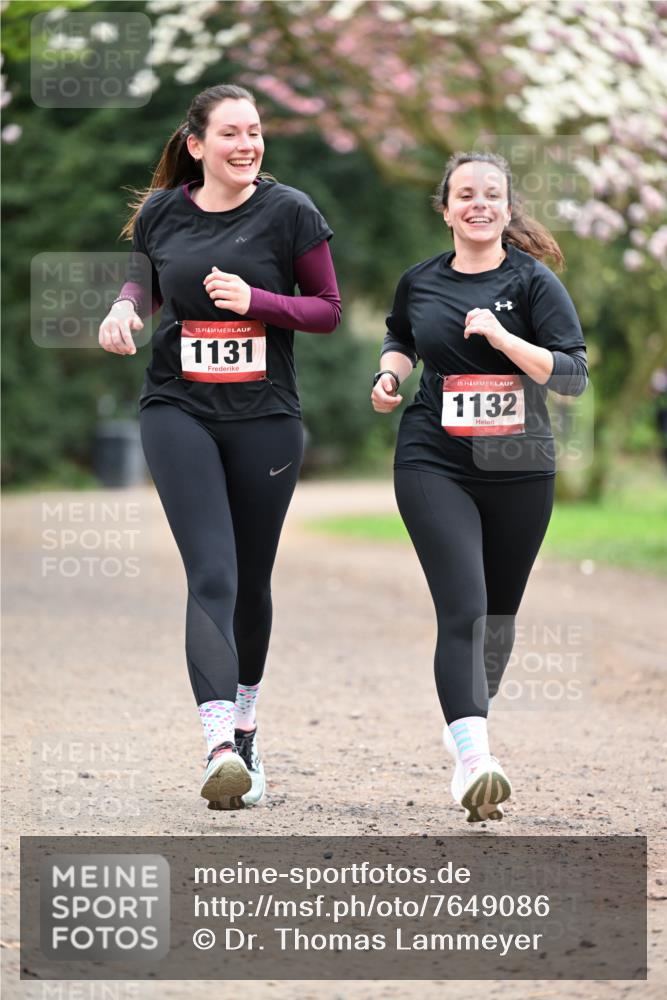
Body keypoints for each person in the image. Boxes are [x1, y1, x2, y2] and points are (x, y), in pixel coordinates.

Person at [99, 84, 340, 809]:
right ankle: (217, 747)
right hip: (179, 408)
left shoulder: (290, 211)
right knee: (210, 571)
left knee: (250, 579)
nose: (247, 145)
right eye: (231, 134)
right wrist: (121, 310)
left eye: (255, 133)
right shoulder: (163, 213)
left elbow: (326, 311)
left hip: (265, 417)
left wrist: (257, 302)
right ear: (197, 145)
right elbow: (142, 284)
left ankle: (247, 725)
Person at [371, 151, 588, 822]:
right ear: (445, 209)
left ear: (505, 207)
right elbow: (399, 335)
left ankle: (465, 719)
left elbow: (571, 375)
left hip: (519, 466)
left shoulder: (533, 284)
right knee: (462, 608)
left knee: (496, 618)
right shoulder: (420, 281)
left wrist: (502, 337)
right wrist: (388, 374)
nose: (478, 203)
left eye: (491, 193)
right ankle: (474, 759)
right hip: (433, 457)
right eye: (464, 194)